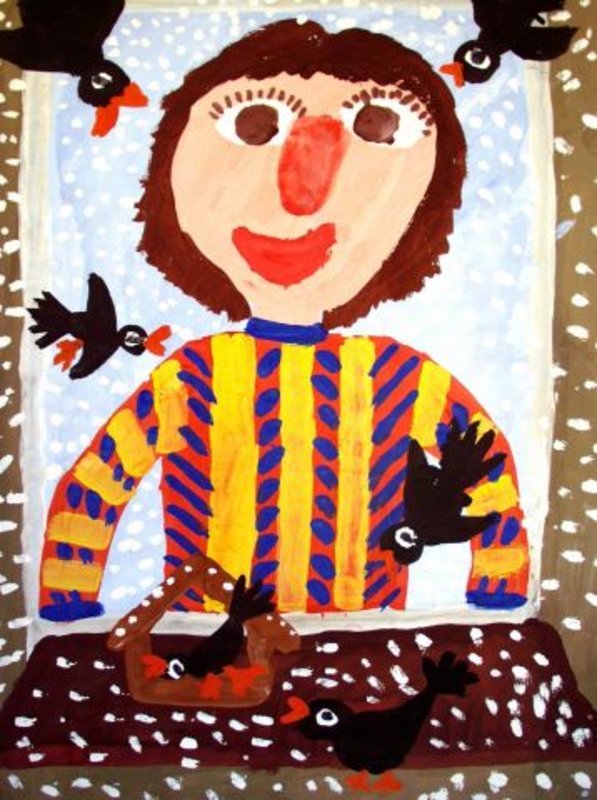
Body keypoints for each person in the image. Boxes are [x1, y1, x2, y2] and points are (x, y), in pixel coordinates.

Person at [38, 19, 528, 622]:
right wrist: (68, 605)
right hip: (210, 636)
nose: (304, 192)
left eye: (375, 125)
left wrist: (498, 588)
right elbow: (101, 481)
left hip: (360, 631)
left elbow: (481, 463)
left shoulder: (399, 376)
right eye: (254, 124)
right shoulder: (193, 377)